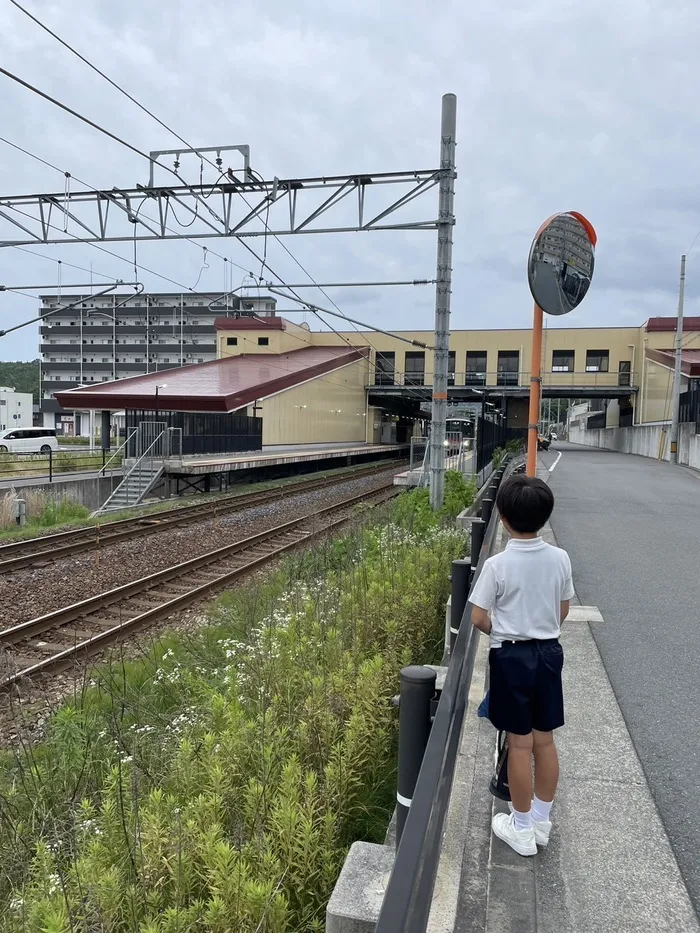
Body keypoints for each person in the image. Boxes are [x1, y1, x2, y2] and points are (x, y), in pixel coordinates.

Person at [470, 474, 574, 856]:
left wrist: (506, 631)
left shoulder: (498, 565)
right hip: (548, 653)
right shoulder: (559, 558)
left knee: (519, 744)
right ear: (545, 516)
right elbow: (563, 608)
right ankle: (543, 822)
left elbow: (479, 617)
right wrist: (541, 630)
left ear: (502, 517)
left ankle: (522, 826)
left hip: (512, 656)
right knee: (544, 740)